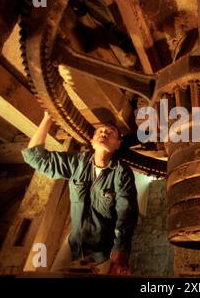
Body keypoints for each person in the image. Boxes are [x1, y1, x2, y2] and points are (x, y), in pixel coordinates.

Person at [22, 111, 139, 275]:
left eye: (111, 132)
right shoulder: (77, 162)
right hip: (74, 244)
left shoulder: (122, 173)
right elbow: (35, 157)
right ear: (92, 141)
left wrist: (120, 252)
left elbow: (126, 214)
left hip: (103, 254)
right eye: (100, 131)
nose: (104, 132)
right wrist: (48, 118)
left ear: (118, 144)